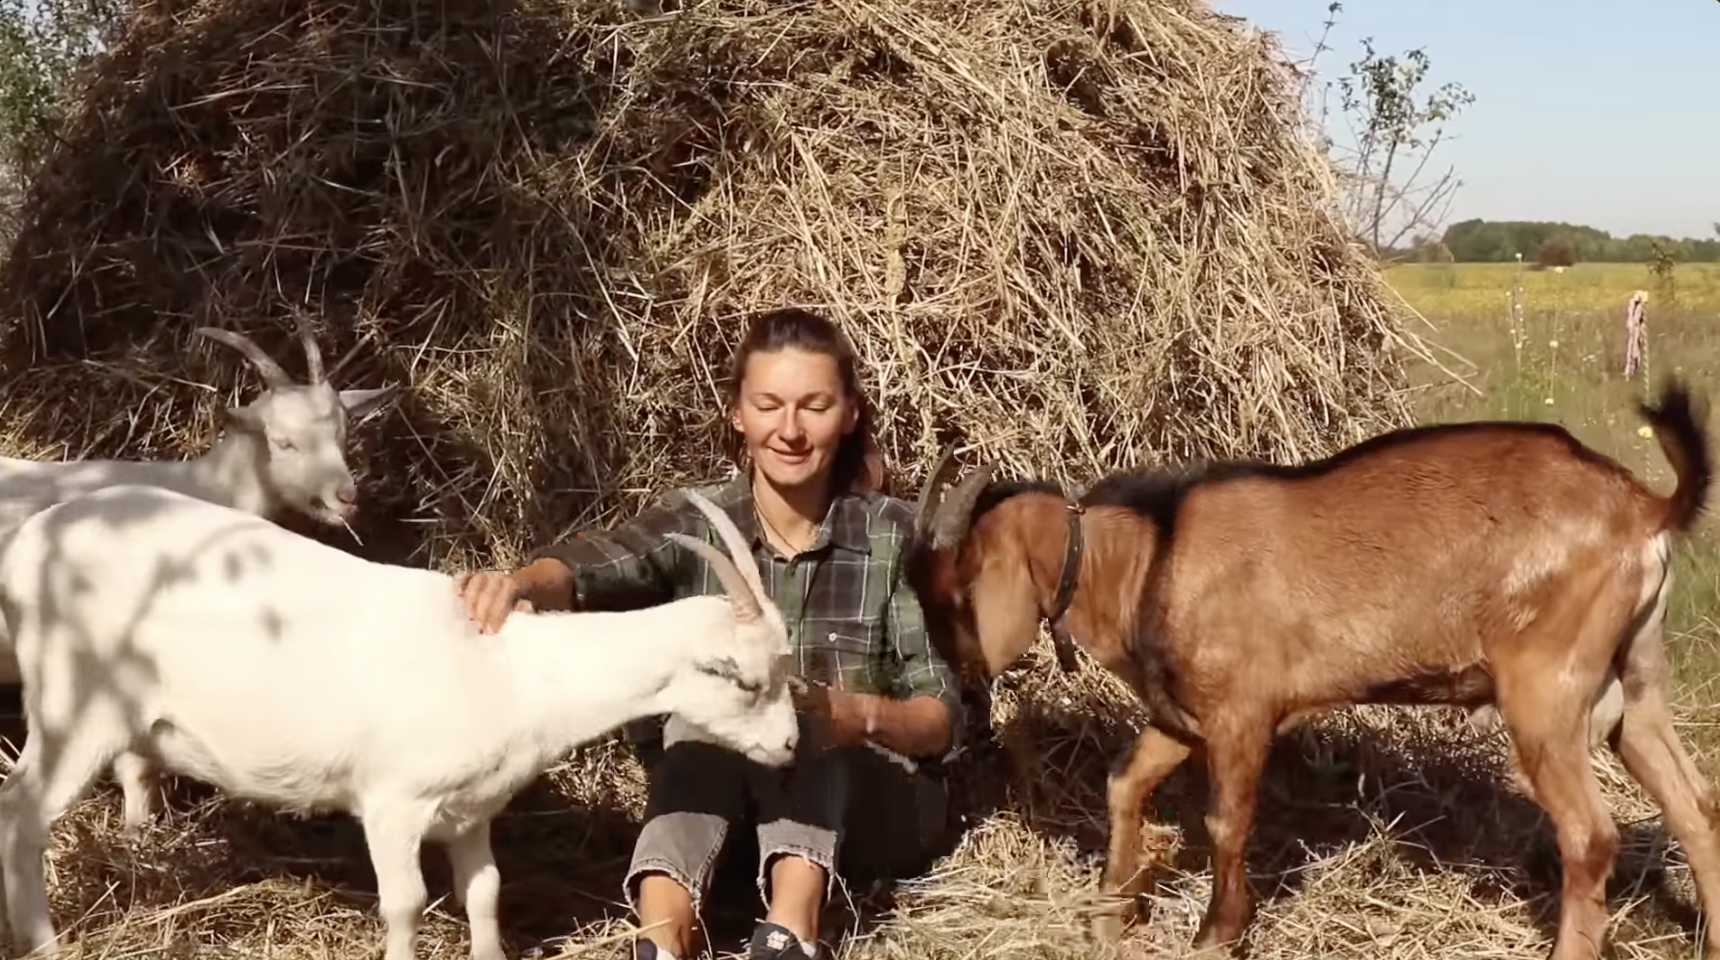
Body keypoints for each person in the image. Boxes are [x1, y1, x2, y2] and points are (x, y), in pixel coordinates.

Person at [456, 307, 965, 960]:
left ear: (849, 414)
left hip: (867, 819)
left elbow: (939, 719)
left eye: (813, 407)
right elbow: (594, 565)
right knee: (707, 715)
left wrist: (856, 715)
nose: (789, 430)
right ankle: (662, 940)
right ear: (738, 414)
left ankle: (790, 935)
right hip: (719, 821)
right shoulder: (698, 523)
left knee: (799, 718)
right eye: (768, 405)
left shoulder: (892, 536)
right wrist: (519, 584)